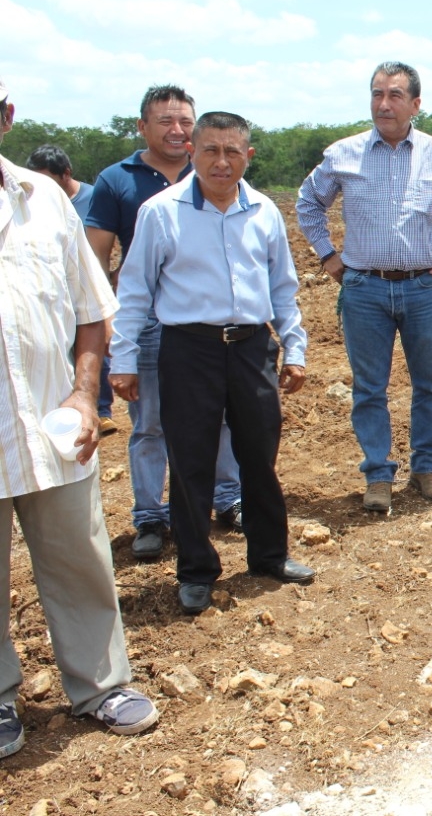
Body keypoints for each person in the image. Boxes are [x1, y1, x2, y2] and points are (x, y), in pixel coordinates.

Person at [0, 78, 159, 757]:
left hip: (49, 422)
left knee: (80, 557)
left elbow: (92, 309)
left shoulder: (43, 202)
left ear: (5, 114)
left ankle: (100, 684)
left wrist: (81, 392)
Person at [110, 111, 313, 615]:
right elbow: (134, 290)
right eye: (210, 151)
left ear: (249, 155)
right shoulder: (161, 212)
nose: (221, 162)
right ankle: (196, 570)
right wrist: (124, 358)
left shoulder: (263, 210)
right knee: (191, 462)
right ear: (193, 152)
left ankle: (269, 556)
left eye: (232, 151)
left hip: (250, 347)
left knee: (259, 456)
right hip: (188, 349)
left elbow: (283, 287)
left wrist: (295, 347)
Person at [297, 61, 432, 513]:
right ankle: (378, 474)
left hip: (424, 288)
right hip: (364, 288)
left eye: (395, 95)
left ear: (415, 104)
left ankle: (427, 467)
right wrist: (328, 255)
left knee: (430, 384)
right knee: (369, 388)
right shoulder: (343, 154)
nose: (384, 104)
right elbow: (308, 203)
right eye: (377, 94)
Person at [85, 85, 244, 558]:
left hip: (204, 325)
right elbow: (96, 257)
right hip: (149, 323)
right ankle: (150, 516)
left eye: (183, 123)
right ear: (143, 127)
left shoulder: (218, 177)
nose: (176, 131)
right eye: (164, 122)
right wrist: (111, 326)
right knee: (149, 422)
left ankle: (226, 499)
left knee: (219, 417)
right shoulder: (118, 181)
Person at [24, 144, 115, 435]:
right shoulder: (28, 201)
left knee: (94, 342)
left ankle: (101, 408)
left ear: (66, 174)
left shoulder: (92, 197)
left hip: (89, 287)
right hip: (54, 289)